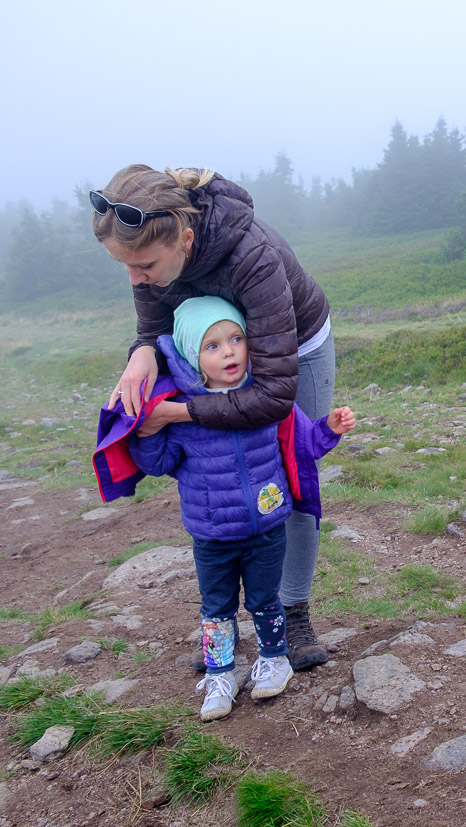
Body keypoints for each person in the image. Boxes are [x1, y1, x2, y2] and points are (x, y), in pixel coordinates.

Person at [91, 164, 336, 671]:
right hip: (211, 348)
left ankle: (292, 610)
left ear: (185, 239)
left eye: (144, 267)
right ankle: (223, 617)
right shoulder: (149, 249)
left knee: (288, 467)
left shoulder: (253, 256)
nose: (136, 278)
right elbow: (153, 325)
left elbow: (270, 398)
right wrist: (142, 352)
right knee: (220, 469)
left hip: (294, 349)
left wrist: (179, 413)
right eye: (126, 267)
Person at [126, 297, 355, 721]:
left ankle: (275, 659)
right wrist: (148, 429)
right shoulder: (182, 415)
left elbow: (302, 445)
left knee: (266, 601)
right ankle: (220, 674)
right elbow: (156, 463)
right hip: (212, 535)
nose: (228, 351)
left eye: (236, 338)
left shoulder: (264, 401)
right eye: (212, 346)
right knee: (216, 609)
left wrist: (330, 428)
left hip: (267, 529)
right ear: (191, 356)